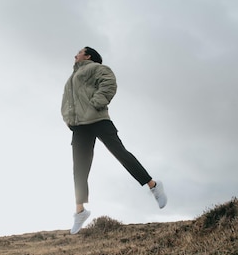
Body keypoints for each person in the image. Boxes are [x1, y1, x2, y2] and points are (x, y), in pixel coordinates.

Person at [61, 46, 167, 234]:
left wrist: (96, 104)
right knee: (79, 168)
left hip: (98, 119)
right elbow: (68, 102)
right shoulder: (71, 78)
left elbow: (109, 83)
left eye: (79, 52)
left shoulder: (96, 68)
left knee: (120, 153)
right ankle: (80, 212)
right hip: (79, 126)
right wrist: (69, 120)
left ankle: (154, 186)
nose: (75, 54)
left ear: (88, 55)